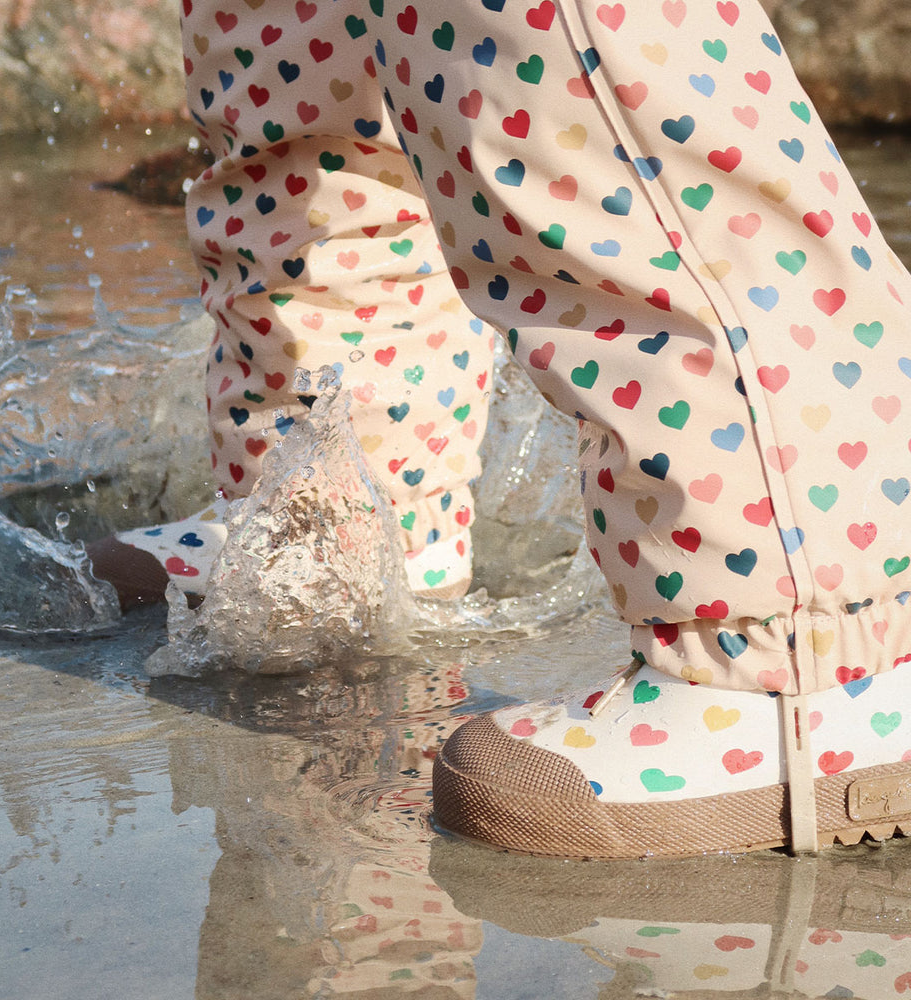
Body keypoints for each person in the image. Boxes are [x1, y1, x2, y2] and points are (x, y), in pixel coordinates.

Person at [94, 0, 911, 858]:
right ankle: (357, 500)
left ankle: (814, 640)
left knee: (538, 37)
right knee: (294, 52)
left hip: (812, 635)